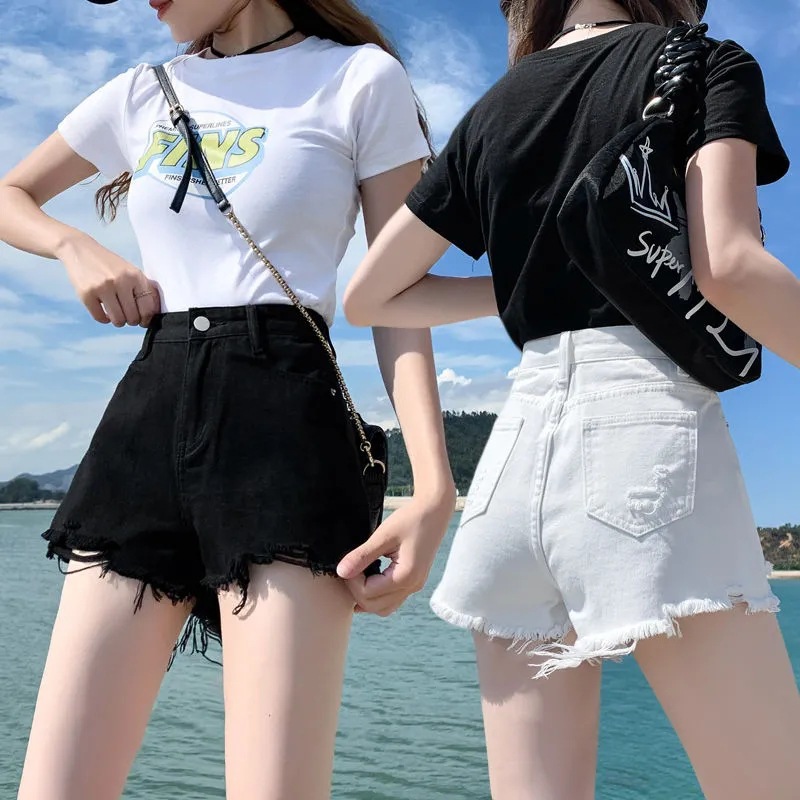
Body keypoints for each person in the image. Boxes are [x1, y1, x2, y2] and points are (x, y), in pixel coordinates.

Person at [341, 0, 800, 798]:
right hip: (647, 450)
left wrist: (528, 282)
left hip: (510, 472)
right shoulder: (701, 62)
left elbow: (371, 297)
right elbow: (727, 264)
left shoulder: (494, 108)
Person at [0, 0, 457, 797]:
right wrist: (73, 245)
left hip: (285, 425)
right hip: (147, 415)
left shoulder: (358, 78)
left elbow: (399, 300)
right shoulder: (141, 91)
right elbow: (11, 194)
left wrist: (433, 487)